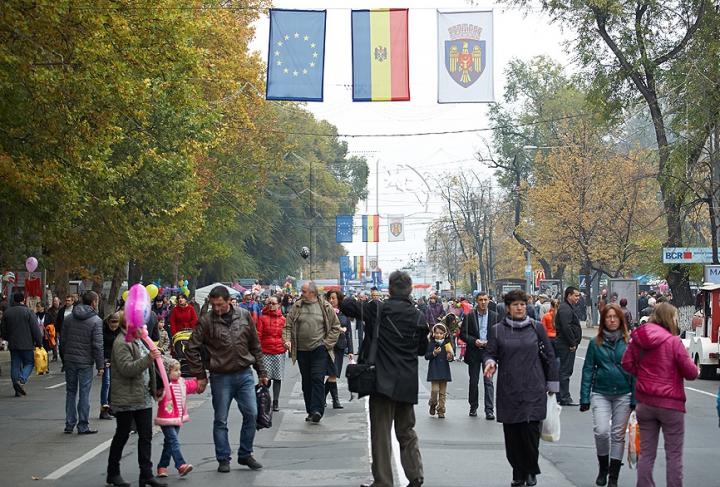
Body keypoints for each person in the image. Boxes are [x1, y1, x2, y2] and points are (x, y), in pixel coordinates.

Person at [341, 270, 427, 487]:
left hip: (381, 381)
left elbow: (347, 306)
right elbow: (421, 349)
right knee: (406, 429)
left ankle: (383, 482)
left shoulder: (378, 308)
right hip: (407, 381)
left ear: (388, 290)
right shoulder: (418, 316)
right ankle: (415, 474)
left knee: (381, 433)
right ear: (410, 290)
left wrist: (354, 296)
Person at [184, 285, 268, 473]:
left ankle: (245, 453)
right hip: (220, 375)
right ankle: (223, 458)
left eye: (220, 304)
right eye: (213, 305)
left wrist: (262, 372)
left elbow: (255, 345)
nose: (217, 308)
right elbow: (191, 348)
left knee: (252, 413)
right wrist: (200, 375)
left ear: (229, 300)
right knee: (221, 419)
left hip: (245, 373)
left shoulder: (244, 315)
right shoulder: (206, 321)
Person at [483, 289, 560, 487]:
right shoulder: (497, 330)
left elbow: (549, 356)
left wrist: (552, 384)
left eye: (523, 304)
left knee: (531, 432)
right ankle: (517, 471)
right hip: (509, 389)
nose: (520, 307)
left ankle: (531, 470)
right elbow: (490, 352)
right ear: (507, 308)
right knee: (513, 434)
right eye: (516, 304)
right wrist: (490, 362)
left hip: (534, 387)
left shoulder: (536, 328)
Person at [621, 302, 697, 487]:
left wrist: (643, 376)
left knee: (646, 452)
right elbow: (691, 373)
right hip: (671, 405)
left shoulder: (638, 339)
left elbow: (626, 363)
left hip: (646, 403)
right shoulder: (674, 342)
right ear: (670, 318)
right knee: (674, 455)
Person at [106, 311, 166, 487]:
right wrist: (148, 359)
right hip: (127, 397)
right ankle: (113, 472)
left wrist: (154, 387)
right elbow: (127, 369)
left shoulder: (139, 339)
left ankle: (146, 474)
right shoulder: (121, 343)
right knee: (122, 434)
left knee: (146, 436)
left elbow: (150, 367)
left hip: (143, 395)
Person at [580, 303, 635, 487]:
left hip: (624, 392)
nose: (612, 320)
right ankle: (603, 466)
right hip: (601, 391)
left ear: (621, 319)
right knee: (601, 431)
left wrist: (635, 398)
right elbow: (588, 370)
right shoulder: (595, 342)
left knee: (618, 435)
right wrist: (584, 397)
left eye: (615, 317)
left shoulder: (629, 342)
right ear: (603, 320)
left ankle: (613, 476)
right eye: (609, 317)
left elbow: (636, 371)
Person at [282, 281, 340, 423]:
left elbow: (335, 327)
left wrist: (325, 344)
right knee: (306, 381)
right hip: (302, 350)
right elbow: (287, 326)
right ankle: (310, 410)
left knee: (317, 378)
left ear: (312, 293)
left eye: (303, 291)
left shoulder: (325, 306)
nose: (301, 294)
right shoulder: (297, 306)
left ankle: (317, 410)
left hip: (319, 350)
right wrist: (287, 340)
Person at [60, 291, 104, 434]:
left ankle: (69, 423)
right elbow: (98, 345)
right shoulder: (96, 321)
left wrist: (64, 358)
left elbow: (63, 341)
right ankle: (83, 424)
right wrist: (100, 365)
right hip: (85, 361)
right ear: (93, 303)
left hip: (70, 359)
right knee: (84, 394)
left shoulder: (69, 318)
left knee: (71, 392)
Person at [155, 357, 199, 478]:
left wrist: (200, 378)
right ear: (166, 372)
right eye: (175, 370)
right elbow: (157, 393)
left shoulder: (182, 382)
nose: (178, 372)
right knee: (174, 441)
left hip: (178, 418)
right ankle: (181, 465)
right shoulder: (164, 385)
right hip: (166, 419)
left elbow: (193, 385)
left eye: (179, 370)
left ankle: (162, 467)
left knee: (169, 443)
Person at [459, 291, 499, 419]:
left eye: (485, 300)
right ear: (476, 301)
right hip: (474, 352)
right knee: (474, 381)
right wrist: (473, 341)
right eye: (480, 300)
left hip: (488, 352)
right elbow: (463, 334)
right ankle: (473, 406)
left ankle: (489, 410)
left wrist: (490, 341)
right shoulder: (470, 316)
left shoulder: (495, 316)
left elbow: (499, 333)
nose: (483, 302)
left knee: (489, 381)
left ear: (489, 301)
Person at [0, 293, 43, 396]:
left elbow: (3, 329)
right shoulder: (29, 312)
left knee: (15, 365)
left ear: (13, 300)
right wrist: (39, 342)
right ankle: (21, 380)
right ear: (23, 300)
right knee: (29, 363)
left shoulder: (7, 313)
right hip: (27, 343)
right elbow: (35, 329)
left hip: (13, 343)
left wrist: (7, 338)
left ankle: (17, 390)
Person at [256, 294, 286, 412]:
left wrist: (287, 344)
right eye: (269, 304)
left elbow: (286, 335)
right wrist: (257, 349)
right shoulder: (263, 318)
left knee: (277, 378)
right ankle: (265, 400)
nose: (271, 306)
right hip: (265, 351)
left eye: (273, 304)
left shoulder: (283, 320)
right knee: (265, 378)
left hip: (279, 351)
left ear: (279, 304)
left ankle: (276, 401)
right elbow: (258, 334)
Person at [325, 289, 353, 409]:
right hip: (327, 346)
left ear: (339, 300)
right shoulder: (325, 313)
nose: (331, 301)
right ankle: (335, 401)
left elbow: (349, 334)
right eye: (329, 298)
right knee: (332, 373)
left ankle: (321, 397)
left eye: (333, 298)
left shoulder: (344, 314)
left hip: (340, 347)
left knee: (335, 374)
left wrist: (350, 351)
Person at [555, 286, 582, 406]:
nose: (578, 298)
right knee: (565, 371)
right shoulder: (566, 309)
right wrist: (572, 343)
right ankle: (564, 397)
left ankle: (561, 396)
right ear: (569, 295)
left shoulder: (567, 307)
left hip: (565, 343)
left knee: (564, 370)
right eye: (576, 295)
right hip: (565, 344)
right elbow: (566, 327)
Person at [425, 323, 453, 418]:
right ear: (433, 334)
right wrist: (434, 353)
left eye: (441, 333)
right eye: (437, 333)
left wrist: (450, 357)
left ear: (445, 334)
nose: (439, 335)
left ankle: (441, 409)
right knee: (435, 390)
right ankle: (433, 403)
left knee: (442, 392)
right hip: (434, 370)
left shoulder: (447, 344)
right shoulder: (431, 344)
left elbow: (452, 356)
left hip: (444, 370)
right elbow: (426, 356)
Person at [100, 313, 122, 420]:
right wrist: (105, 360)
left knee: (113, 383)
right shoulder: (102, 330)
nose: (113, 329)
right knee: (106, 382)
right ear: (108, 323)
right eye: (111, 326)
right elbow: (101, 346)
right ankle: (104, 407)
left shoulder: (120, 331)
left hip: (116, 359)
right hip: (106, 358)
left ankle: (111, 406)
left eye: (115, 326)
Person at [542, 299, 560, 369]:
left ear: (551, 306)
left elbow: (543, 328)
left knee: (550, 356)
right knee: (558, 356)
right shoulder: (560, 316)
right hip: (558, 338)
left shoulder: (546, 316)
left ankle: (551, 371)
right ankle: (557, 372)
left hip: (548, 338)